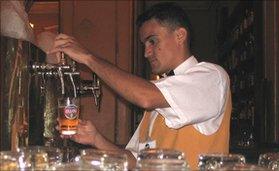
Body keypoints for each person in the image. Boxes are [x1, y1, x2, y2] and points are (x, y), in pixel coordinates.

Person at [49, 2, 231, 170]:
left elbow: (145, 97)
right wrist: (96, 138)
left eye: (153, 41)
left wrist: (88, 58)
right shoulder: (157, 92)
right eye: (144, 44)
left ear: (179, 36)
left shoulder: (212, 77)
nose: (146, 52)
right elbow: (135, 160)